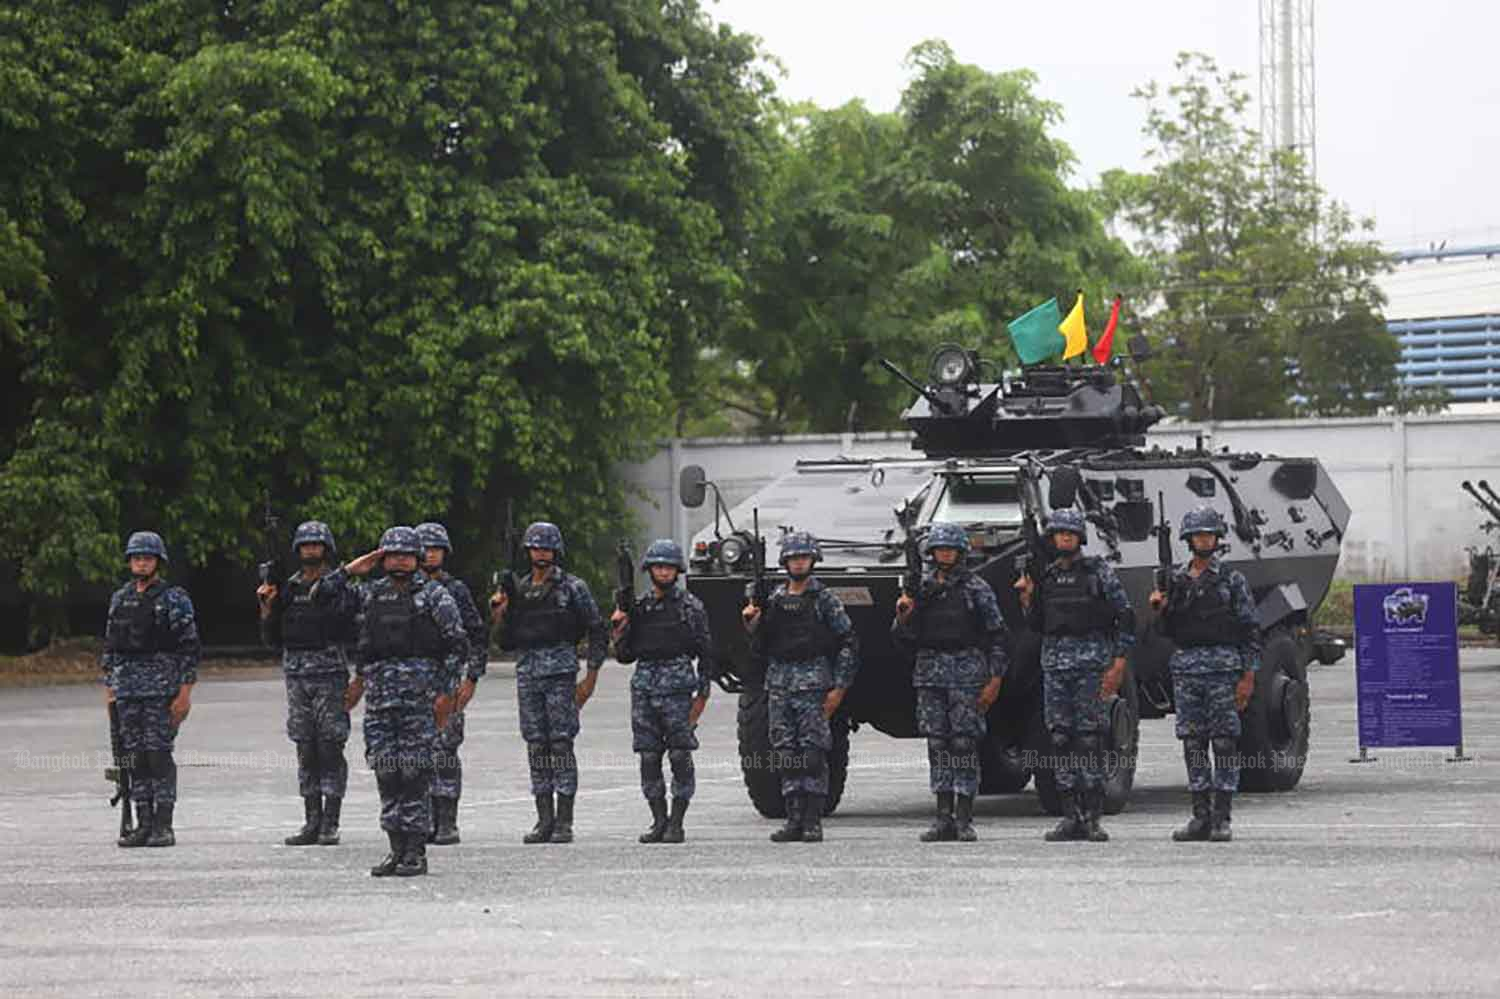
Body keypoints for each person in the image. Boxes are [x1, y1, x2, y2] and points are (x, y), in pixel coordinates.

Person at [347, 526, 469, 877]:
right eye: (391, 554)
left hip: (420, 700)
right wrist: (352, 569)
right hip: (381, 701)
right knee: (386, 772)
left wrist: (447, 694)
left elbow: (457, 646)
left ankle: (415, 851)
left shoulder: (435, 596)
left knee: (414, 774)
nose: (399, 560)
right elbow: (328, 598)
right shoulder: (371, 595)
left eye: (405, 554)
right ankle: (395, 848)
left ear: (416, 559)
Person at [1015, 509, 1134, 843]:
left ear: (1079, 538)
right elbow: (1038, 624)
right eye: (1059, 534)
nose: (1064, 538)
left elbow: (1125, 616)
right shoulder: (1048, 577)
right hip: (1055, 667)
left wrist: (1119, 662)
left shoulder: (1098, 573)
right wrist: (1027, 599)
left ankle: (1092, 817)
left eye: (1070, 533)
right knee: (1060, 739)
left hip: (1089, 667)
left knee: (1089, 740)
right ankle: (1070, 816)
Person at [1149, 506, 1260, 843]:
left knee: (1224, 742)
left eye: (1209, 534)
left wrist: (1248, 675)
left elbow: (1250, 629)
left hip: (1223, 669)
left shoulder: (1231, 580)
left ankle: (1222, 816)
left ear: (1218, 538)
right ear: (1188, 539)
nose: (1204, 539)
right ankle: (1200, 815)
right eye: (1198, 534)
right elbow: (1163, 630)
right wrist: (1159, 606)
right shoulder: (1175, 580)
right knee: (1194, 743)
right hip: (1187, 671)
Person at [490, 522, 606, 845]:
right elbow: (504, 642)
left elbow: (597, 629)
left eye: (546, 548)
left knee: (561, 744)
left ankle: (564, 821)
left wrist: (591, 676)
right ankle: (544, 819)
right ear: (528, 551)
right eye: (535, 548)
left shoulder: (573, 588)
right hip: (528, 674)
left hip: (560, 674)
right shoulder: (518, 590)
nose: (541, 553)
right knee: (536, 745)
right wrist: (500, 613)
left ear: (556, 551)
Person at [892, 523, 1009, 843]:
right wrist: (904, 616)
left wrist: (994, 678)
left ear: (960, 552)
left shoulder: (977, 588)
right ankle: (942, 817)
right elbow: (902, 639)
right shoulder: (920, 589)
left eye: (950, 549)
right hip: (930, 673)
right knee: (937, 744)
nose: (945, 554)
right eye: (939, 549)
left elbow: (997, 636)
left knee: (963, 744)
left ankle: (964, 818)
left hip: (967, 673)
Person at [741, 532, 859, 844]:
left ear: (813, 561)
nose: (799, 563)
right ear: (785, 562)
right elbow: (759, 647)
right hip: (780, 684)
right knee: (786, 754)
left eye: (804, 558)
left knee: (812, 754)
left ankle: (812, 820)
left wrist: (839, 687)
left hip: (813, 685)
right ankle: (793, 817)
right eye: (794, 558)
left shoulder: (824, 600)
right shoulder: (774, 600)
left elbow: (848, 642)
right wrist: (752, 623)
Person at [257, 520, 357, 846]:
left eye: (316, 545)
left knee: (330, 746)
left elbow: (349, 627)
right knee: (305, 746)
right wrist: (267, 607)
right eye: (305, 545)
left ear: (326, 548)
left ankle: (331, 820)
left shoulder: (339, 586)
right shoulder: (286, 588)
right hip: (297, 675)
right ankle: (311, 819)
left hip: (329, 673)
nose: (310, 550)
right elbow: (271, 639)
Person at [610, 539, 713, 844]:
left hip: (679, 689)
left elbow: (707, 653)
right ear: (649, 570)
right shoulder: (639, 608)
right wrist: (618, 630)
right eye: (658, 566)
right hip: (644, 689)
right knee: (648, 757)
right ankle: (658, 820)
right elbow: (625, 656)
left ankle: (677, 822)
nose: (663, 572)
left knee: (680, 756)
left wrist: (702, 697)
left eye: (668, 567)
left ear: (677, 570)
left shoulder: (691, 607)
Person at [102, 531, 200, 848]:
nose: (141, 562)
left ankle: (163, 824)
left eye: (147, 557)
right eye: (136, 557)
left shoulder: (174, 598)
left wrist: (184, 693)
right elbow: (110, 648)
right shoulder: (120, 598)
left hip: (162, 690)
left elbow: (189, 647)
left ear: (158, 561)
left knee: (158, 755)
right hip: (127, 690)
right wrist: (110, 689)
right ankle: (142, 822)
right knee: (134, 757)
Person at [414, 522, 487, 846]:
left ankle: (447, 821)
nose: (431, 554)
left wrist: (472, 678)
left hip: (447, 679)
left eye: (436, 548)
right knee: (416, 752)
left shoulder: (456, 590)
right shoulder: (403, 588)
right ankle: (423, 819)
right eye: (425, 548)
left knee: (445, 749)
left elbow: (476, 634)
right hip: (410, 681)